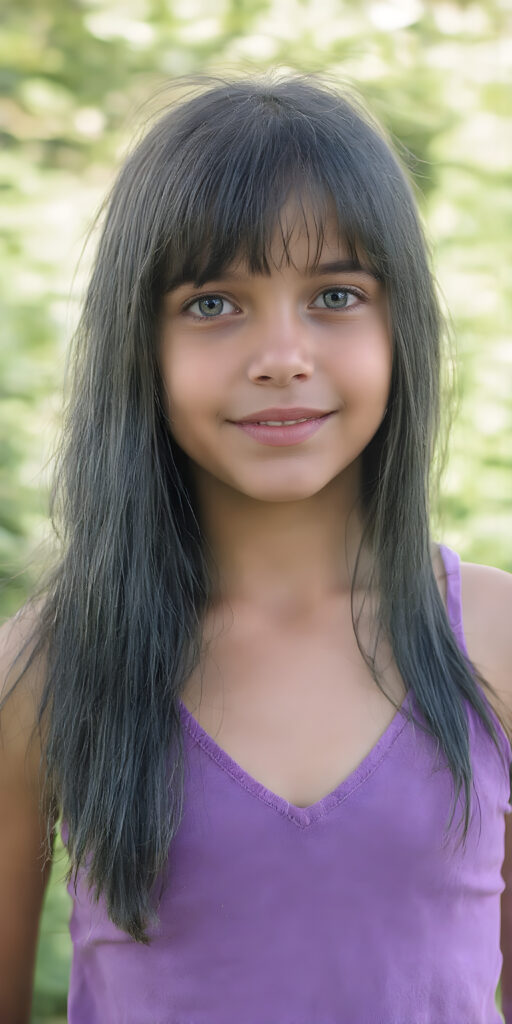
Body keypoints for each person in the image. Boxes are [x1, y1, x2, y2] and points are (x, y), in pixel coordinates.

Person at [1, 71, 511, 1024]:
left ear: (401, 326)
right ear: (141, 342)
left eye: (336, 294)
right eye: (212, 304)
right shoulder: (48, 665)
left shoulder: (493, 635)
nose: (282, 356)